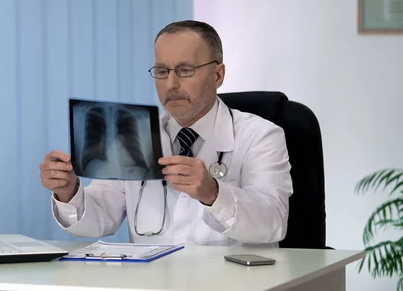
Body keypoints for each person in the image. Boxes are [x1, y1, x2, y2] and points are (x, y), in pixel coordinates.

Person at [39, 20, 294, 247]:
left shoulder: (261, 136)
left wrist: (212, 193)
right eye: (162, 71)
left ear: (218, 75)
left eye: (185, 70)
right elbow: (101, 218)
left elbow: (273, 223)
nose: (171, 85)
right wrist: (68, 191)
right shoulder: (132, 136)